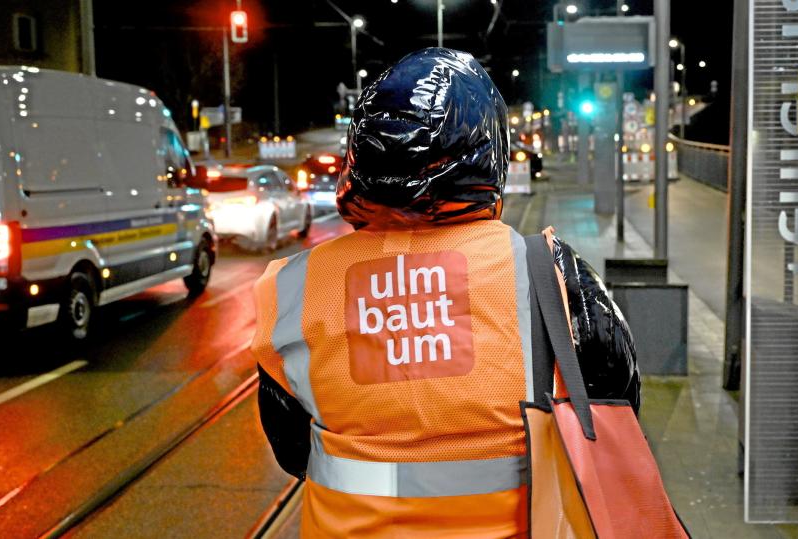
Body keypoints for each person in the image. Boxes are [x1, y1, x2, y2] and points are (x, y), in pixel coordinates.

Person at [252, 48, 640, 538]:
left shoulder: (291, 289)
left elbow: (292, 453)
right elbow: (617, 415)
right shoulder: (549, 272)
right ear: (488, 152)